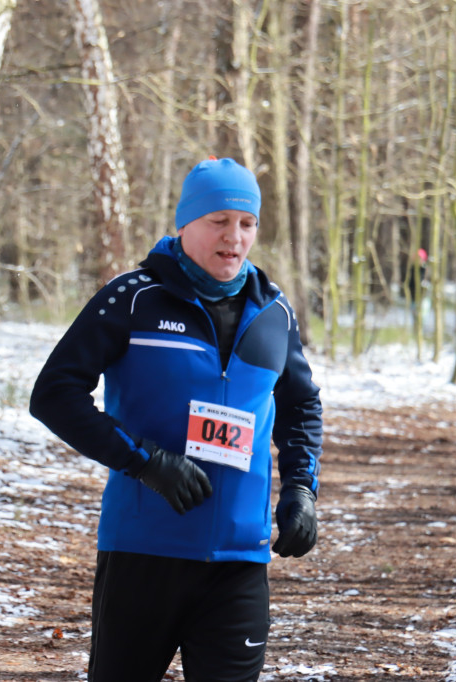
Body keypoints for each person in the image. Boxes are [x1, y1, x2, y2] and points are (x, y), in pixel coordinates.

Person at [29, 157, 323, 682]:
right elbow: (54, 395)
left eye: (247, 223)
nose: (234, 237)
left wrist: (301, 489)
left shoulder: (275, 313)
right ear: (184, 223)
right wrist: (144, 462)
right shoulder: (133, 298)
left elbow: (301, 407)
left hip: (239, 560)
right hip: (144, 553)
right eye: (219, 221)